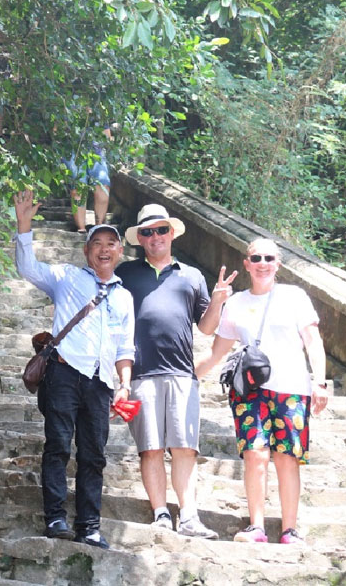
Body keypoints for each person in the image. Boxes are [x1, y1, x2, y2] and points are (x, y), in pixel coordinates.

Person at [13, 189, 135, 550]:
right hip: (64, 374)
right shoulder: (66, 277)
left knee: (94, 455)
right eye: (97, 242)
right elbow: (28, 268)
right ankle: (55, 517)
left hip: (100, 383)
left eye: (111, 243)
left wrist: (125, 384)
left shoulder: (125, 297)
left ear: (119, 252)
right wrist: (24, 225)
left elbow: (126, 346)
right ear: (86, 251)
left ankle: (90, 526)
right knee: (58, 446)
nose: (104, 248)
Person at [195, 237, 329, 545]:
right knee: (254, 455)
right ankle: (256, 525)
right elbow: (217, 351)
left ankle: (289, 529)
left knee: (286, 457)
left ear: (278, 264)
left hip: (292, 389)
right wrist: (189, 378)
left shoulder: (294, 296)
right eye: (256, 258)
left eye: (269, 258)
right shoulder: (237, 303)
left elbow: (313, 342)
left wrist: (319, 382)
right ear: (247, 264)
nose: (263, 264)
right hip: (250, 391)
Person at [115, 204, 237, 538]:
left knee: (184, 447)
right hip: (141, 373)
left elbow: (207, 327)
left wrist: (218, 300)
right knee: (150, 448)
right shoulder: (125, 274)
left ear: (171, 233)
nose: (154, 237)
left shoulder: (192, 275)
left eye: (160, 230)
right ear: (139, 238)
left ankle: (189, 516)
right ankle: (160, 514)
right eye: (147, 232)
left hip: (182, 373)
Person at [63, 116, 112, 232]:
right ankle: (81, 228)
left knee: (103, 185)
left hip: (97, 153)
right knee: (78, 187)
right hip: (72, 151)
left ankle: (99, 226)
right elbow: (58, 132)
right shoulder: (67, 104)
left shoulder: (97, 108)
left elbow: (107, 136)